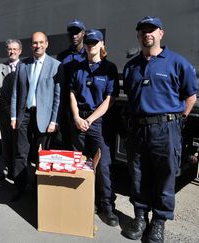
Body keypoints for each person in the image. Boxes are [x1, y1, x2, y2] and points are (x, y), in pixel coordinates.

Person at [122, 16, 198, 243]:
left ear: (161, 33)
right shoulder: (131, 67)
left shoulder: (176, 62)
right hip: (138, 130)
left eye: (152, 30)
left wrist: (179, 119)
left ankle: (159, 222)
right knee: (138, 175)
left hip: (166, 129)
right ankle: (140, 217)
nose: (147, 34)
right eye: (143, 30)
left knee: (164, 177)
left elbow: (191, 97)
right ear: (138, 35)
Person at [70, 29, 119, 227]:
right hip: (78, 122)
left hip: (98, 123)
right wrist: (76, 117)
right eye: (88, 42)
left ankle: (106, 206)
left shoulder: (109, 68)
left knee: (103, 166)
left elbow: (110, 99)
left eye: (94, 42)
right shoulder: (78, 68)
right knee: (80, 164)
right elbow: (72, 94)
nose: (91, 45)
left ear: (101, 44)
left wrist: (89, 120)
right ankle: (81, 201)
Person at [11, 32, 63, 201]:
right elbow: (15, 93)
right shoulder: (23, 65)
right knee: (21, 153)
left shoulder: (55, 65)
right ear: (30, 45)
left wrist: (54, 120)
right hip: (24, 115)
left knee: (42, 156)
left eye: (41, 42)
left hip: (44, 118)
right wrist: (13, 116)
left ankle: (38, 190)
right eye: (34, 43)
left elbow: (58, 97)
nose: (37, 45)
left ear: (46, 44)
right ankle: (19, 188)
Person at [54, 19, 87, 150]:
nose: (74, 36)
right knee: (66, 141)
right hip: (66, 106)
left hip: (83, 106)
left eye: (77, 32)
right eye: (71, 33)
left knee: (81, 143)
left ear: (83, 33)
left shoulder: (88, 54)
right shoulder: (62, 56)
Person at [0, 39, 22, 180]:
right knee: (6, 143)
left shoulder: (25, 67)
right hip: (4, 112)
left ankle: (18, 172)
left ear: (20, 51)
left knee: (19, 144)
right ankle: (7, 168)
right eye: (10, 49)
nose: (12, 51)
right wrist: (6, 107)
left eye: (15, 49)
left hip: (21, 113)